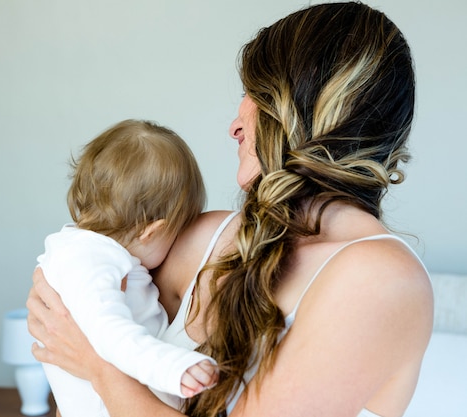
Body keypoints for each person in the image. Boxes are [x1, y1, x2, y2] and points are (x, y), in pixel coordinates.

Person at [27, 3, 434, 417]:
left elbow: (90, 362)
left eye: (254, 95)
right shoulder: (202, 239)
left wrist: (99, 367)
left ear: (298, 109)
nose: (235, 125)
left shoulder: (379, 279)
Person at [35, 119, 218, 417]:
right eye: (178, 231)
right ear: (152, 231)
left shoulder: (81, 252)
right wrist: (174, 368)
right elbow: (110, 336)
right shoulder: (89, 259)